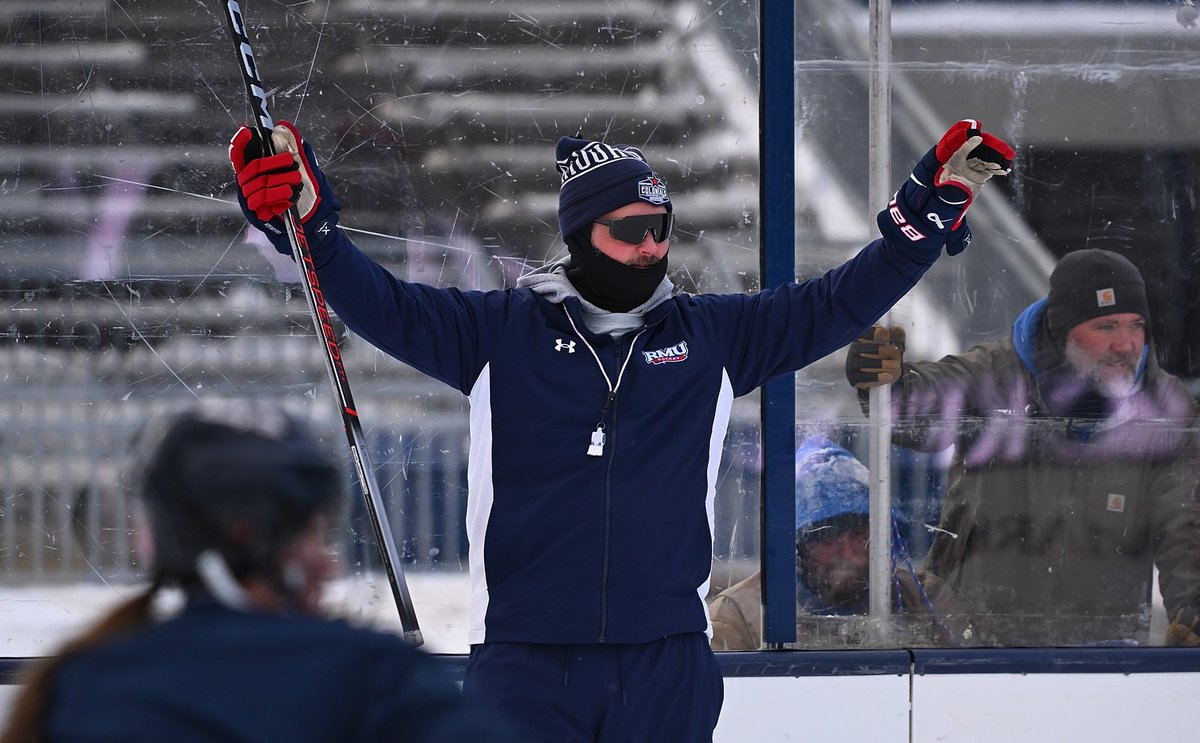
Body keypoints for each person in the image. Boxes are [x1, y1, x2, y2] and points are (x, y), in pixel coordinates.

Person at [226, 117, 1012, 741]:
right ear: (579, 235)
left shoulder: (711, 338)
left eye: (661, 228)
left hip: (665, 663)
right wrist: (311, 228)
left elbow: (833, 304)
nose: (651, 248)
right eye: (629, 230)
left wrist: (919, 225)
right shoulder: (498, 333)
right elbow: (381, 303)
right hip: (527, 664)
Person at [0, 402, 520, 743]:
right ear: (254, 536)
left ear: (153, 536)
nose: (329, 561)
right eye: (312, 535)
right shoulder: (371, 674)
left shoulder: (84, 685)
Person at [845, 248, 1200, 647]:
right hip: (971, 645)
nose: (1126, 344)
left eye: (1136, 326)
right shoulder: (996, 375)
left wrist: (1193, 614)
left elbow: (1184, 526)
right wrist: (890, 382)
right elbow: (923, 408)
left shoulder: (1167, 408)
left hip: (1103, 651)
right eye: (1106, 327)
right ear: (1062, 329)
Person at [709, 436, 969, 650]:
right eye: (825, 535)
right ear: (798, 545)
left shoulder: (924, 599)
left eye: (858, 534)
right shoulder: (738, 615)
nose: (845, 552)